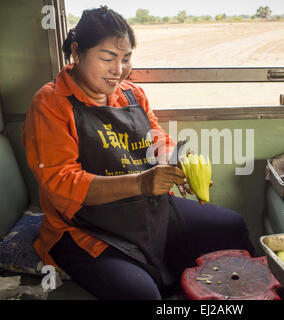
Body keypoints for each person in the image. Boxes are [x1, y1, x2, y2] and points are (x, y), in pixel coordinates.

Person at [22, 6, 254, 300]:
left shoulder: (132, 94)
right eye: (107, 58)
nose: (118, 70)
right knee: (141, 295)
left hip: (145, 209)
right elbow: (61, 183)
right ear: (77, 52)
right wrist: (141, 183)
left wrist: (176, 161)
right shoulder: (51, 104)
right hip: (85, 230)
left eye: (126, 58)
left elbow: (157, 139)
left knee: (231, 226)